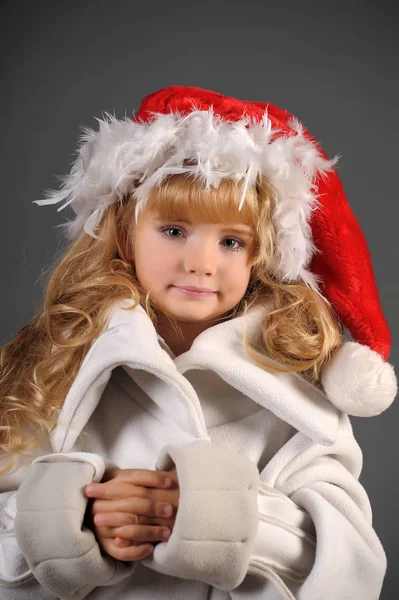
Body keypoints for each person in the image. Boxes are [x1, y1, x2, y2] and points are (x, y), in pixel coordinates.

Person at [0, 85, 397, 600]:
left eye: (231, 241)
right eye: (173, 230)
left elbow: (352, 568)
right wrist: (69, 519)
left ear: (261, 254)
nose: (200, 263)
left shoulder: (296, 387)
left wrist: (223, 518)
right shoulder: (55, 364)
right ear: (125, 231)